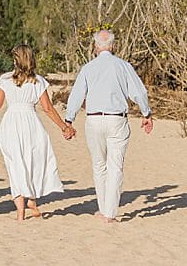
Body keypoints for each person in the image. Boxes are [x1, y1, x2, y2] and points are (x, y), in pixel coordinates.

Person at [65, 29, 153, 223]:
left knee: (99, 165)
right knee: (115, 166)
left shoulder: (88, 68)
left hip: (94, 119)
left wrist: (69, 119)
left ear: (96, 47)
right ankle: (109, 212)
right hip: (117, 119)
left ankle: (104, 208)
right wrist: (146, 113)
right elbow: (139, 92)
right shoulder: (123, 66)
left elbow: (77, 95)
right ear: (113, 46)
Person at [0, 45, 74, 221]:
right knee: (33, 161)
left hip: (11, 123)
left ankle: (21, 211)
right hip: (31, 122)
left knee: (16, 164)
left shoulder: (5, 79)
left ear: (15, 60)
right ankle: (32, 201)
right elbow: (48, 108)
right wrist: (64, 127)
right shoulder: (38, 81)